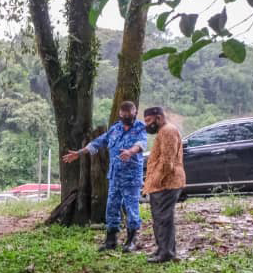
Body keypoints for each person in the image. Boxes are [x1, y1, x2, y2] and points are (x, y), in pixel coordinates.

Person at [62, 101, 148, 252]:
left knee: (131, 208)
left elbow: (141, 144)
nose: (127, 117)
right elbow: (98, 142)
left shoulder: (140, 128)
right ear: (120, 114)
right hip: (115, 176)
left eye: (130, 114)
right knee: (111, 207)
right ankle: (111, 241)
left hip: (131, 177)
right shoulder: (115, 128)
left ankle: (132, 240)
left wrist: (130, 151)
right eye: (124, 115)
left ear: (135, 113)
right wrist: (79, 153)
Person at [142, 106, 185, 263]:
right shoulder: (164, 131)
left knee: (163, 219)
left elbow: (167, 161)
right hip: (162, 183)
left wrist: (155, 181)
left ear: (158, 117)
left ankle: (166, 253)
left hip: (167, 183)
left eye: (148, 121)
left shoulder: (167, 131)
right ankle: (163, 250)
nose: (146, 125)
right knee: (160, 218)